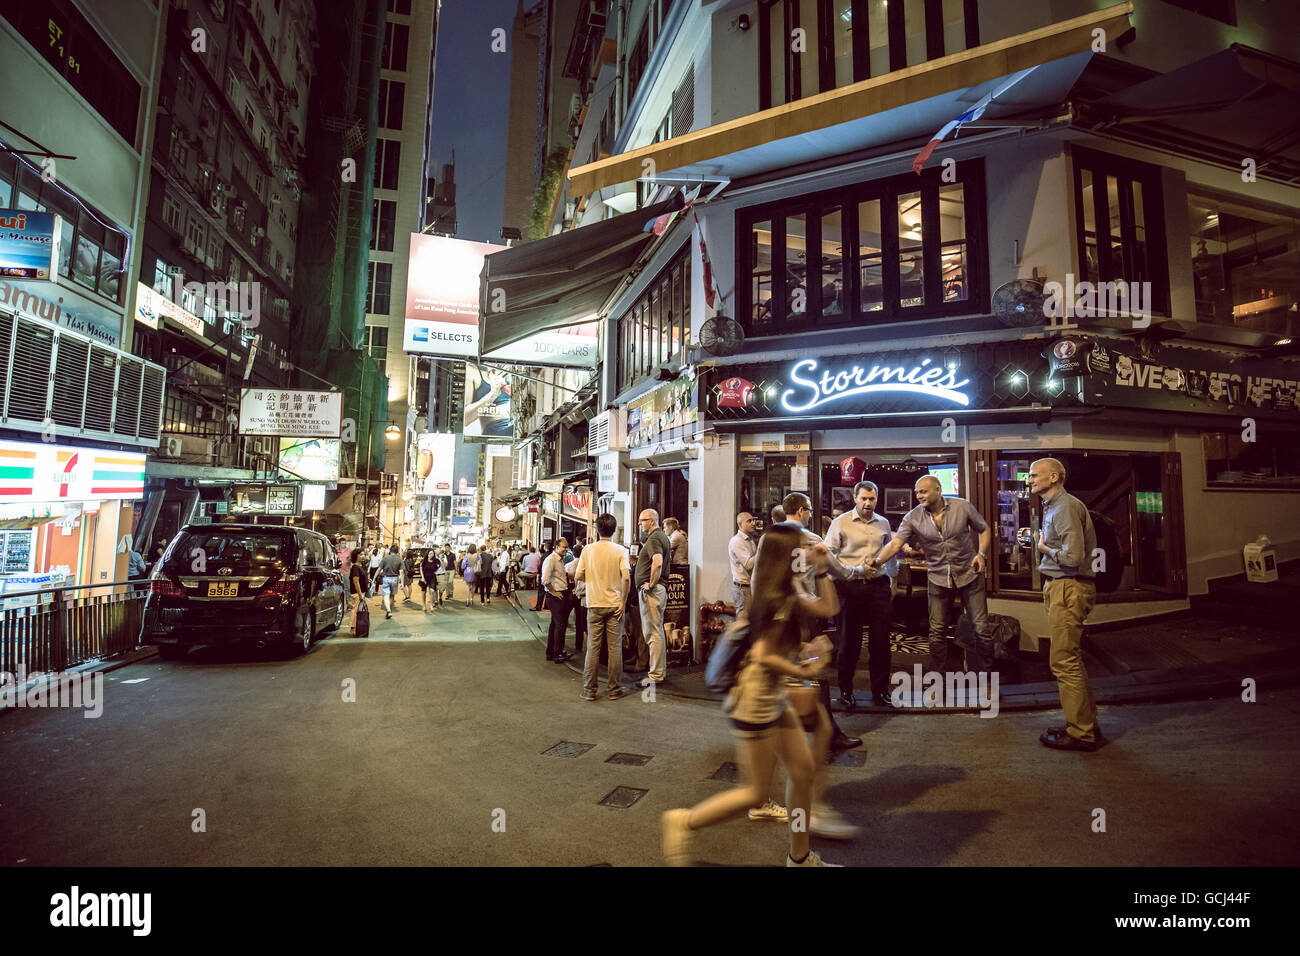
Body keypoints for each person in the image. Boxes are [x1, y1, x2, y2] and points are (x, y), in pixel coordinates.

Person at [661, 524, 844, 867]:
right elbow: (762, 656)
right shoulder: (776, 599)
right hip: (755, 702)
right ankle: (683, 821)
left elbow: (828, 607)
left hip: (771, 696)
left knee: (802, 772)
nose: (810, 548)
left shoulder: (785, 590)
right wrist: (804, 670)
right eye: (804, 545)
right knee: (756, 793)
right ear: (787, 554)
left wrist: (821, 567)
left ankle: (800, 858)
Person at [869, 476, 993, 673]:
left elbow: (984, 529)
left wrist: (981, 554)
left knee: (981, 630)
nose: (919, 496)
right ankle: (938, 681)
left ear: (938, 489)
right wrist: (877, 561)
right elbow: (896, 544)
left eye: (923, 491)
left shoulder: (962, 507)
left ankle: (986, 679)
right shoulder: (912, 517)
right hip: (938, 577)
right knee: (936, 633)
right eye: (917, 492)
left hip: (969, 574)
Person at [781, 493, 862, 753]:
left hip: (780, 615)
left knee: (788, 670)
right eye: (809, 511)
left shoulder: (769, 539)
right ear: (803, 511)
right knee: (816, 672)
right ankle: (825, 734)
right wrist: (862, 571)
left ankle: (800, 731)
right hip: (807, 616)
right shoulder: (812, 540)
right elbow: (839, 570)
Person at [1031, 457, 1102, 752]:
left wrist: (1044, 547)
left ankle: (1080, 733)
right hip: (1061, 586)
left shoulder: (1065, 507)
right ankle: (1086, 724)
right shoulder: (1055, 507)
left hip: (1068, 587)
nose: (1030, 479)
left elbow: (1073, 558)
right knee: (1069, 658)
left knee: (1063, 661)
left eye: (1036, 475)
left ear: (1055, 477)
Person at [824, 481, 898, 711]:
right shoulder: (840, 522)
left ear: (877, 499)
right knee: (848, 642)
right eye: (864, 498)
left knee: (881, 642)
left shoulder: (884, 523)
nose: (868, 503)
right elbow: (828, 555)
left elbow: (892, 554)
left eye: (872, 499)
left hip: (878, 586)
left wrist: (893, 580)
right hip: (850, 587)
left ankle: (880, 691)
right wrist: (843, 575)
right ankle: (846, 691)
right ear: (855, 498)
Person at [575, 513, 630, 701]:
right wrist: (623, 601)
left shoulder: (587, 550)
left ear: (597, 530)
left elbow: (578, 575)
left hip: (594, 604)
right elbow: (627, 577)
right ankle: (614, 689)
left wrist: (592, 579)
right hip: (615, 604)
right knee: (615, 648)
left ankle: (589, 690)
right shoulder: (621, 550)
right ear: (614, 530)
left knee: (593, 647)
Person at [634, 510, 672, 686]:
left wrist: (650, 583)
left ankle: (656, 675)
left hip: (653, 591)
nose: (640, 524)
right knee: (657, 632)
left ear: (651, 521)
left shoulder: (655, 538)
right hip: (658, 590)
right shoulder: (661, 536)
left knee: (653, 634)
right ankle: (659, 672)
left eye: (642, 520)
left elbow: (657, 562)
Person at [542, 538, 573, 662]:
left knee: (555, 624)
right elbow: (545, 579)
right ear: (556, 546)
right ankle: (557, 653)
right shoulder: (551, 560)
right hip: (556, 596)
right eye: (564, 547)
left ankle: (551, 652)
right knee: (560, 625)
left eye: (567, 547)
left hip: (561, 594)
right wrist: (554, 592)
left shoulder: (560, 560)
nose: (566, 549)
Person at [728, 512, 758, 614]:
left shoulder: (749, 539)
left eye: (753, 520)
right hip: (743, 588)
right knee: (743, 621)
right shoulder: (737, 541)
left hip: (749, 586)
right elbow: (749, 564)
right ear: (740, 524)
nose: (753, 523)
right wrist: (762, 550)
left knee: (748, 622)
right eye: (749, 521)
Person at [379, 545, 403, 620]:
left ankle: (388, 611)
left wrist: (373, 579)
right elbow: (401, 572)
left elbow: (379, 569)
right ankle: (389, 611)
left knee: (386, 595)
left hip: (386, 578)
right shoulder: (399, 560)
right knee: (392, 596)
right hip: (395, 578)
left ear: (390, 551)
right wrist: (402, 583)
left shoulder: (385, 558)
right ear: (397, 551)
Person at [348, 549, 369, 632]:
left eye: (363, 554)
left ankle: (356, 628)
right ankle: (352, 628)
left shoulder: (359, 567)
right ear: (356, 556)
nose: (363, 556)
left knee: (358, 610)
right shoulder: (355, 568)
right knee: (355, 610)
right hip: (357, 593)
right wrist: (360, 595)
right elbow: (356, 582)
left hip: (360, 593)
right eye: (361, 554)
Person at [420, 548, 440, 612]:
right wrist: (422, 577)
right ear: (427, 554)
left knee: (432, 590)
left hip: (432, 577)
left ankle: (431, 604)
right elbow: (421, 569)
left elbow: (439, 566)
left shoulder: (435, 561)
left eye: (433, 553)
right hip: (425, 577)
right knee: (423, 592)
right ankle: (424, 605)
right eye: (430, 553)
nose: (431, 555)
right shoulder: (424, 561)